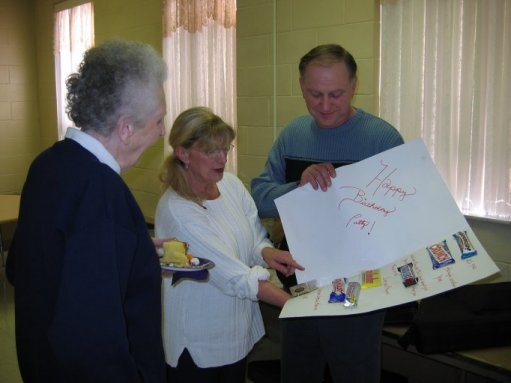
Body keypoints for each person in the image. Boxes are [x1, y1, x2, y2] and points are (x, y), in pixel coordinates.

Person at [6, 39, 169, 382]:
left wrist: (128, 253)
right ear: (126, 128)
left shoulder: (49, 164)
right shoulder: (102, 193)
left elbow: (20, 265)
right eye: (158, 120)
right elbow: (93, 341)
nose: (162, 132)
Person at [251, 44, 405, 383]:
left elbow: (404, 216)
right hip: (301, 283)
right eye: (314, 94)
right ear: (301, 87)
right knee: (298, 372)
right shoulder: (292, 135)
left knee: (354, 373)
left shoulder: (383, 140)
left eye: (335, 94)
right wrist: (297, 188)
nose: (324, 105)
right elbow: (260, 196)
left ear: (353, 86)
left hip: (360, 291)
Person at [154, 106, 304, 383]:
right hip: (199, 342)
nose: (222, 158)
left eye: (225, 149)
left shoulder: (231, 185)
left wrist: (266, 251)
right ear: (183, 153)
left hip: (234, 331)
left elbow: (253, 235)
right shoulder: (178, 211)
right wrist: (299, 307)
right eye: (211, 151)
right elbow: (233, 276)